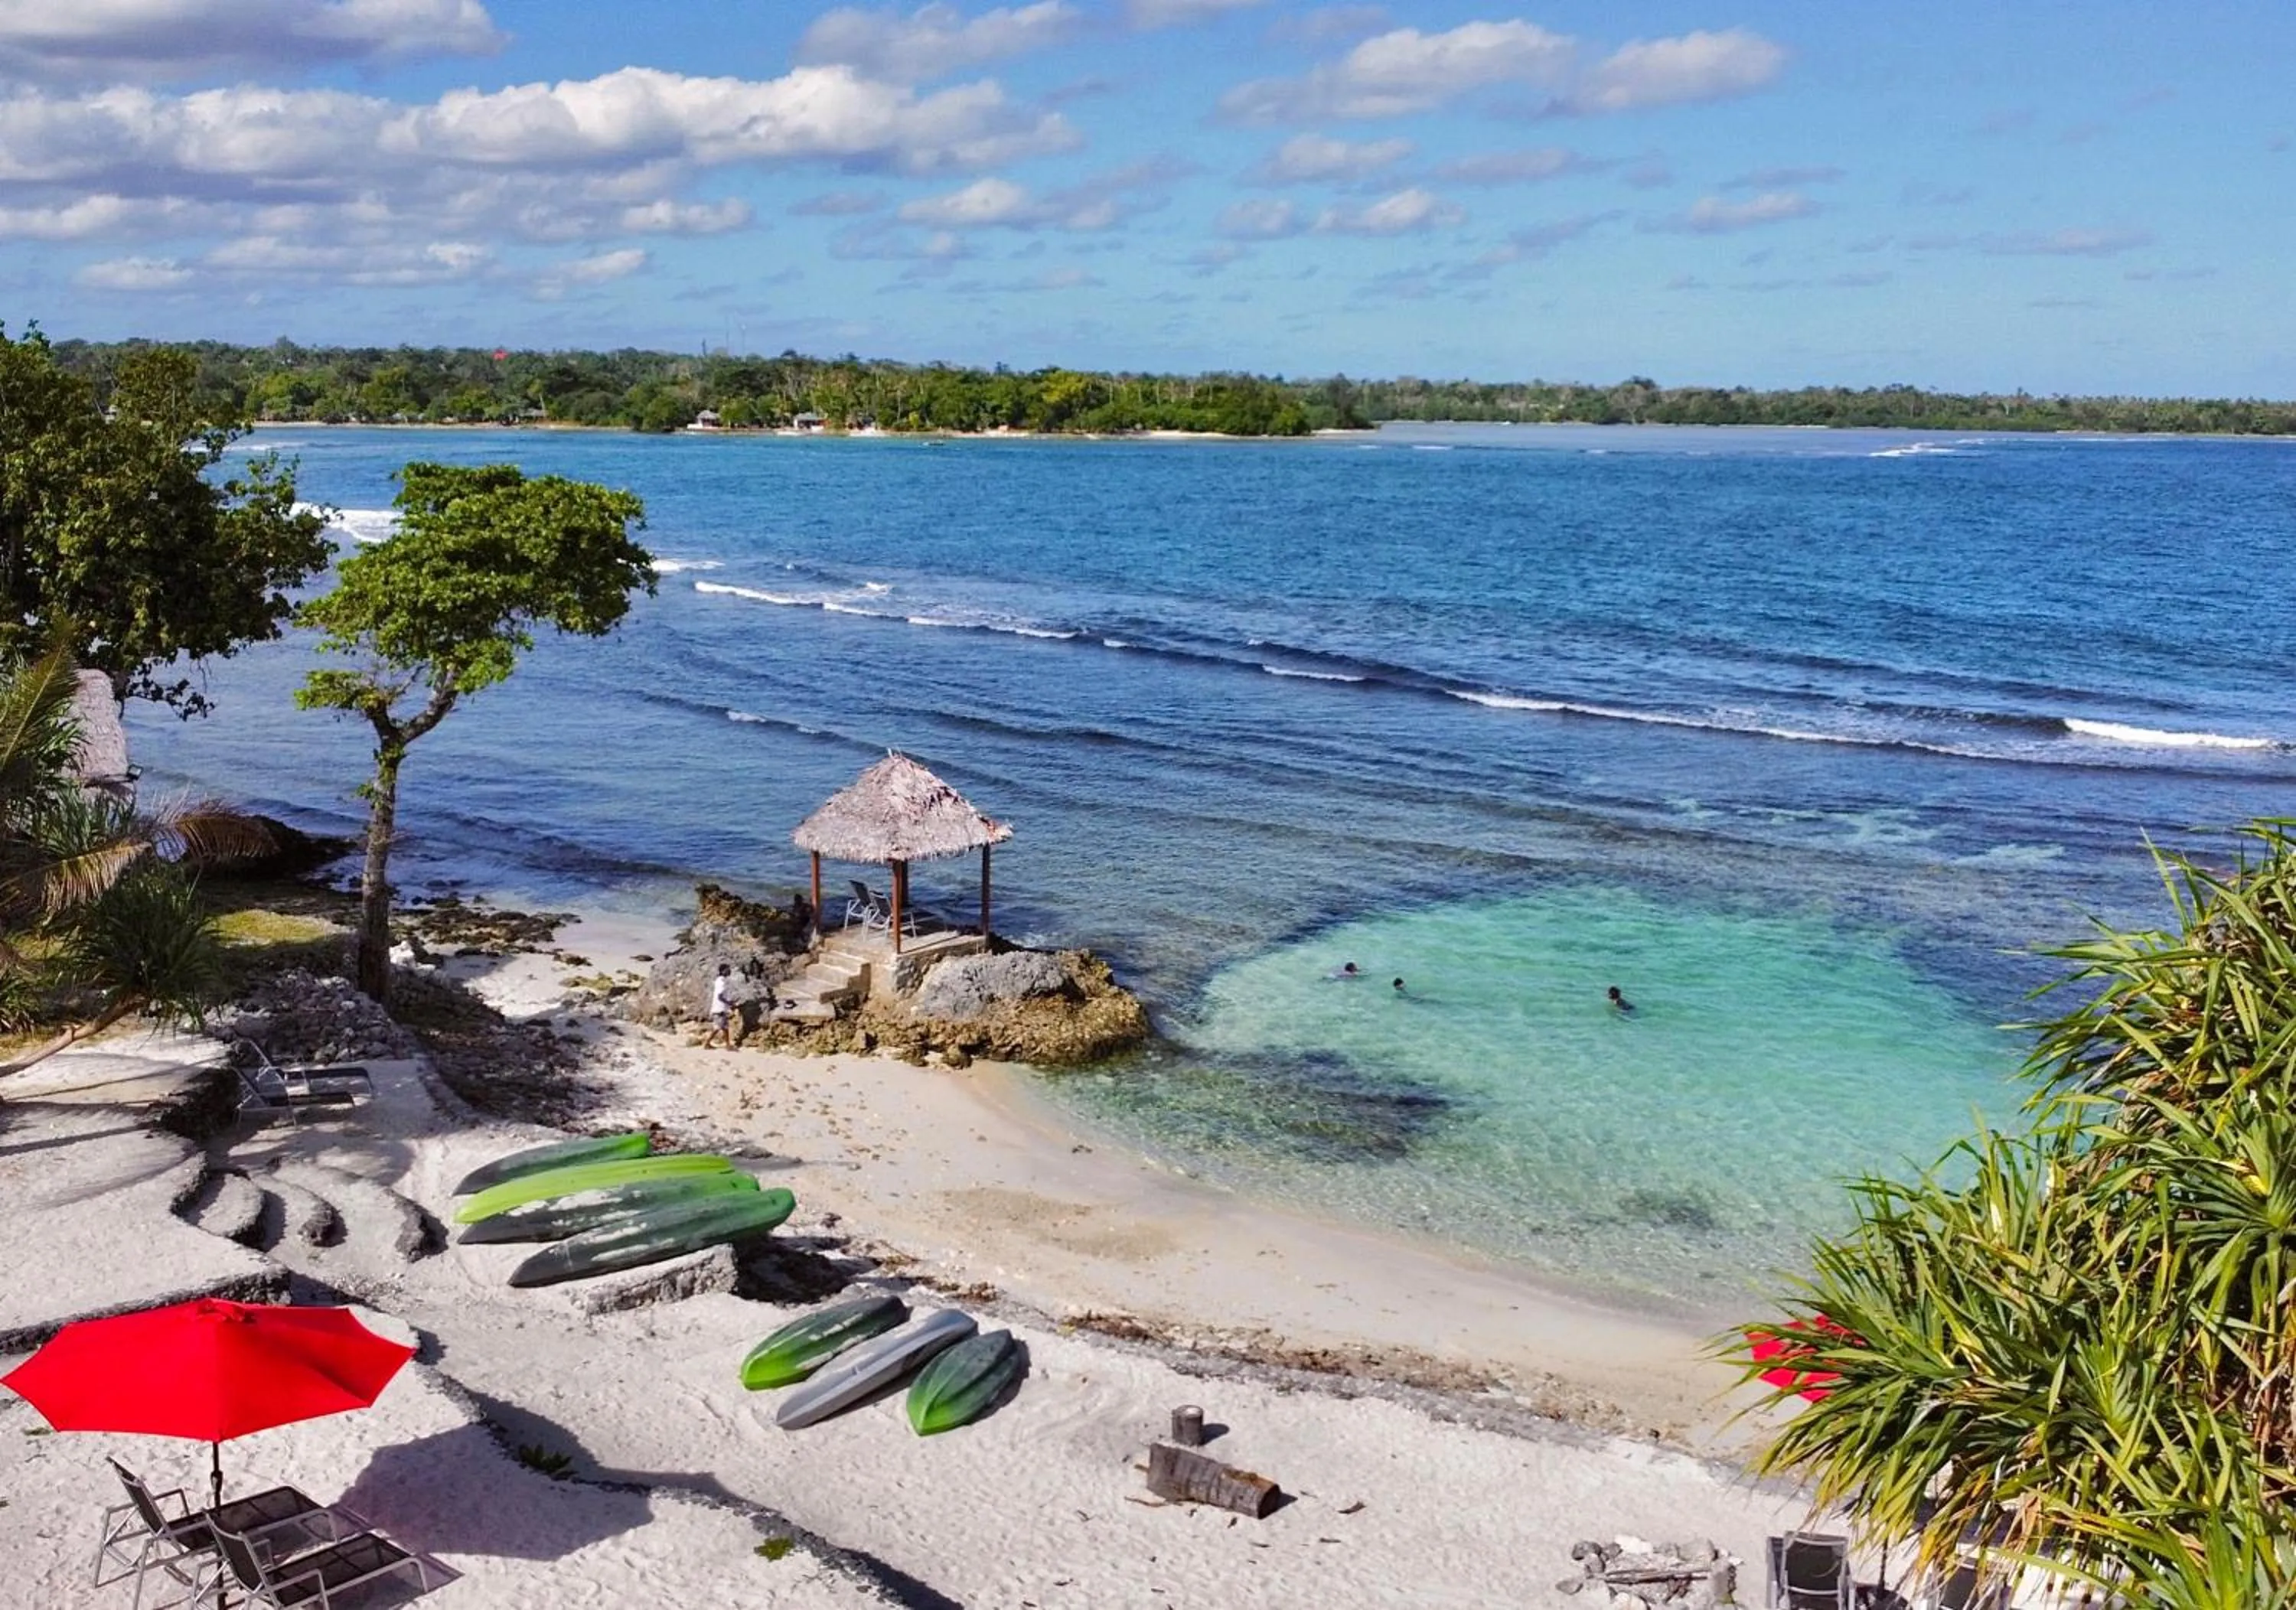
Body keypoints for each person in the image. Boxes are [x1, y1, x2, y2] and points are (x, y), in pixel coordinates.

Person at [703, 963, 735, 1048]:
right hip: (719, 1008)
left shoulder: (721, 981)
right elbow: (720, 996)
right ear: (723, 971)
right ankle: (707, 1043)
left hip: (722, 1008)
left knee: (725, 1027)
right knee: (718, 1027)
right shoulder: (721, 982)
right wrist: (729, 1003)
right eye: (728, 970)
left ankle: (728, 1045)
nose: (730, 971)